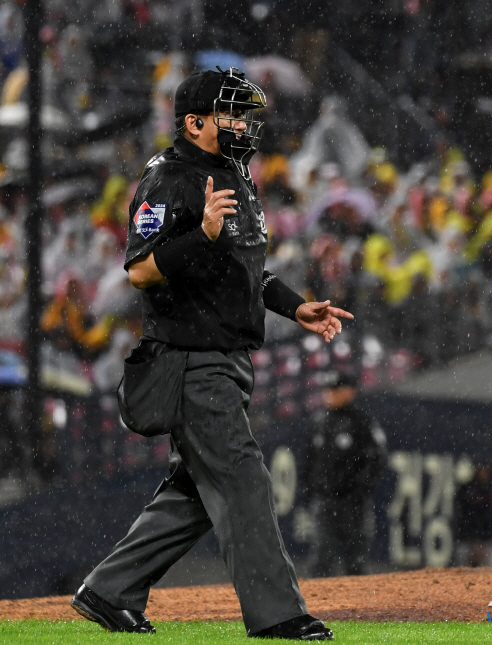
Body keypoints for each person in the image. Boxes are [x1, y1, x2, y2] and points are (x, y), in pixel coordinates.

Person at [70, 68, 352, 640]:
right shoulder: (170, 177)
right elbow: (141, 270)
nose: (243, 124)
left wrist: (296, 307)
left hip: (224, 357)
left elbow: (243, 269)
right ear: (194, 122)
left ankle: (110, 589)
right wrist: (200, 233)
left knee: (198, 492)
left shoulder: (232, 174)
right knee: (243, 479)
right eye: (232, 114)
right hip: (191, 360)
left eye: (246, 114)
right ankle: (279, 617)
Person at [303, 372, 387, 577]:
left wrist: (360, 488)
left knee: (356, 557)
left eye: (335, 389)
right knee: (321, 555)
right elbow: (308, 460)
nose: (330, 394)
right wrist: (310, 490)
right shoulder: (318, 421)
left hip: (353, 502)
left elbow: (377, 459)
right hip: (325, 500)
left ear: (350, 392)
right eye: (327, 390)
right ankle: (317, 605)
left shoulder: (362, 422)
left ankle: (358, 607)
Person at [453, 463, 492, 567]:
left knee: (491, 574)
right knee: (461, 573)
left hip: (487, 542)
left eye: (486, 469)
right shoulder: (467, 490)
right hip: (467, 541)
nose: (483, 472)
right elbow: (462, 518)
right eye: (481, 469)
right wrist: (474, 541)